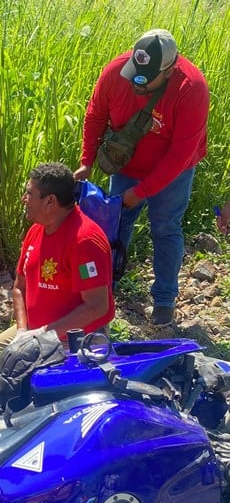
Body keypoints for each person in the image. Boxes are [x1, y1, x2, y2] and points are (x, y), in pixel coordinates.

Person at [75, 28, 209, 327]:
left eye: (146, 79)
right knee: (112, 225)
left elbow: (181, 154)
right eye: (134, 73)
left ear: (170, 69)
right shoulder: (114, 73)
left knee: (165, 228)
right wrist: (86, 161)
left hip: (174, 170)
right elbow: (95, 115)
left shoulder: (192, 88)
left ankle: (164, 299)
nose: (137, 82)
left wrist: (144, 190)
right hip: (126, 165)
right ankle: (104, 289)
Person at [0, 163, 115, 350]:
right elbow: (19, 287)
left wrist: (43, 335)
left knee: (36, 377)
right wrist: (22, 331)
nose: (24, 199)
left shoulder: (85, 241)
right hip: (34, 332)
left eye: (29, 194)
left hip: (74, 339)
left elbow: (96, 306)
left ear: (50, 201)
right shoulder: (35, 231)